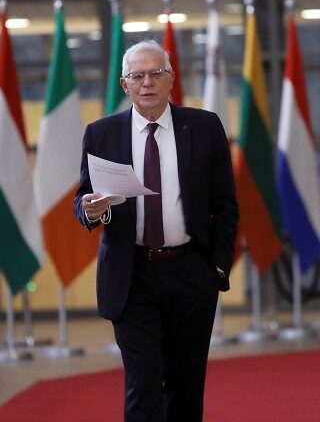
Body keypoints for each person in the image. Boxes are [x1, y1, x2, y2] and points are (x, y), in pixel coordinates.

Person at [74, 39, 238, 421]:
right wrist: (90, 209)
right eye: (137, 75)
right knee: (143, 379)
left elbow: (226, 205)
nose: (147, 82)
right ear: (124, 84)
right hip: (131, 274)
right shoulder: (101, 133)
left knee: (185, 383)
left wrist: (217, 266)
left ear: (171, 80)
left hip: (191, 271)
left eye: (156, 73)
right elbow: (85, 197)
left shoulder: (204, 126)